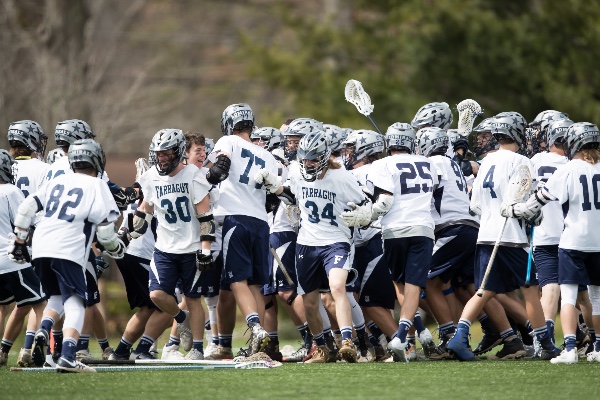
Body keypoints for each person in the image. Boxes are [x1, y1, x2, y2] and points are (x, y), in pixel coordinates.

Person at [447, 113, 559, 361]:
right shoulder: (521, 161)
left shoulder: (487, 161)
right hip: (511, 236)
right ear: (516, 132)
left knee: (484, 290)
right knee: (530, 289)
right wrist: (533, 213)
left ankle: (459, 337)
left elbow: (474, 205)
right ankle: (545, 344)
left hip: (485, 233)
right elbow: (522, 205)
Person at [255, 130, 372, 363]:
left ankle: (347, 341)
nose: (308, 163)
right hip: (307, 243)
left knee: (337, 287)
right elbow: (292, 198)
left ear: (325, 156)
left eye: (313, 159)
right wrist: (276, 187)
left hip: (336, 241)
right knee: (309, 301)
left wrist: (364, 215)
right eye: (305, 158)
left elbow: (365, 203)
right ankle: (322, 347)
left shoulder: (342, 177)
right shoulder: (297, 172)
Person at [9, 139, 125, 373]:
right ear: (97, 160)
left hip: (41, 245)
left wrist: (20, 241)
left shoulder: (57, 181)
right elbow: (105, 233)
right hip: (69, 248)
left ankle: (44, 329)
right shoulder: (97, 185)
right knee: (77, 303)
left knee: (55, 297)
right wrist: (117, 249)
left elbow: (26, 208)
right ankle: (69, 356)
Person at [501, 122, 600, 364]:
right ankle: (598, 347)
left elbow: (536, 203)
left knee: (568, 296)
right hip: (598, 243)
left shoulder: (568, 169)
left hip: (573, 241)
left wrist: (512, 209)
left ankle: (569, 349)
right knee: (596, 298)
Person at [131, 129, 214, 360]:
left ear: (178, 152)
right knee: (157, 295)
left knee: (193, 299)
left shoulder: (193, 175)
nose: (162, 158)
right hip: (164, 248)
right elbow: (144, 211)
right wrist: (126, 233)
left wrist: (206, 250)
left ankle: (198, 349)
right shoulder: (151, 177)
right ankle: (180, 317)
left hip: (191, 247)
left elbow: (205, 216)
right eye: (159, 153)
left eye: (167, 153)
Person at [207, 103, 279, 355]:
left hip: (236, 219)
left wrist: (201, 180)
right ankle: (258, 343)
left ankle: (255, 328)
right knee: (255, 285)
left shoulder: (228, 141)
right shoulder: (267, 155)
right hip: (260, 222)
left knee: (237, 280)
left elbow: (219, 169)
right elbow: (273, 198)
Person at [367, 122, 438, 362]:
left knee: (400, 283)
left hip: (394, 229)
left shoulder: (381, 164)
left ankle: (400, 337)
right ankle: (418, 332)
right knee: (412, 283)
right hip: (423, 227)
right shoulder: (428, 163)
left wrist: (367, 216)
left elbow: (383, 200)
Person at [415, 127, 480, 359]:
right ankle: (456, 339)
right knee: (443, 284)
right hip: (466, 227)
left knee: (424, 280)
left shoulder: (433, 164)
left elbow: (423, 192)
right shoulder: (450, 163)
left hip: (452, 228)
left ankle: (450, 337)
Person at [343, 129, 397, 360]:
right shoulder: (379, 169)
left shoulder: (365, 172)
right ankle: (383, 342)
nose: (347, 153)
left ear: (364, 149)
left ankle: (401, 343)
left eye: (351, 148)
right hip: (368, 240)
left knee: (370, 300)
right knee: (367, 300)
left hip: (373, 237)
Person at [5, 120, 50, 366]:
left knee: (11, 304)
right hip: (32, 240)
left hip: (6, 243)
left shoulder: (5, 164)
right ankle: (29, 349)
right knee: (39, 300)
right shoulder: (42, 169)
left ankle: (5, 349)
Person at [528, 117, 572, 351]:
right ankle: (587, 339)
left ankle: (545, 341)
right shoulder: (576, 164)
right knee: (579, 292)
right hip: (573, 235)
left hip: (545, 232)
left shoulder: (536, 160)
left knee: (550, 286)